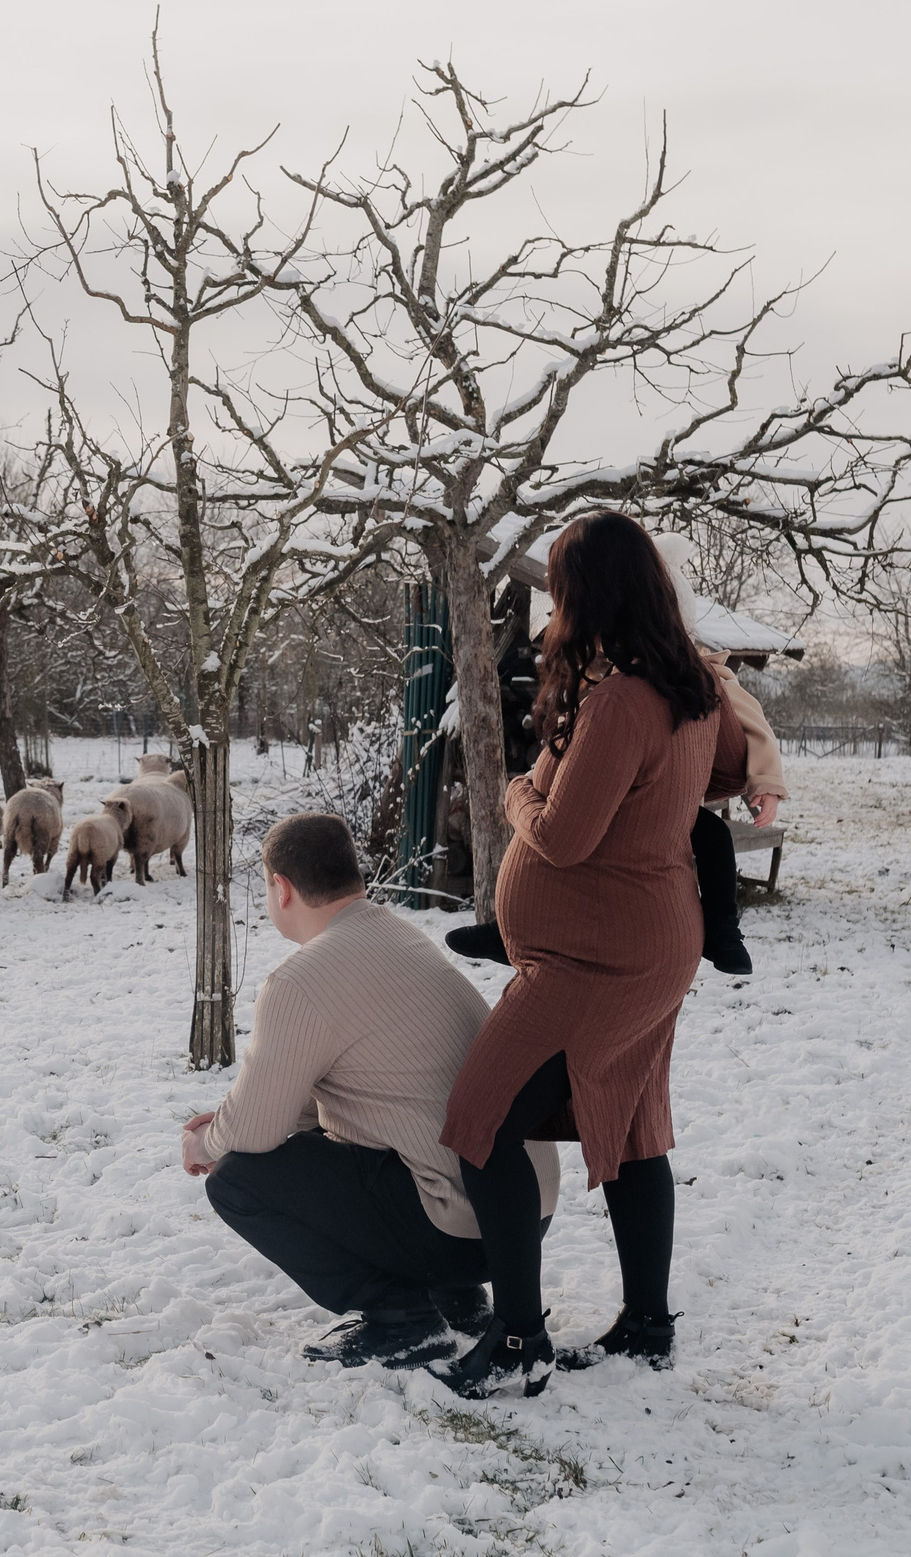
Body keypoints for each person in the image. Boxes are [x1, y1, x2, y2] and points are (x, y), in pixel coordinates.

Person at [436, 511, 749, 1399]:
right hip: (653, 940)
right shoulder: (695, 681)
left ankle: (518, 1338)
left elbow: (564, 837)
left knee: (481, 1120)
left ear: (587, 593)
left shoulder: (620, 698)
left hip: (593, 957)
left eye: (557, 591)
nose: (552, 607)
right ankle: (647, 1325)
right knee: (638, 1122)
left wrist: (517, 791)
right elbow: (725, 773)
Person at [181, 812, 563, 1369]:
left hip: (455, 1225)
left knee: (237, 1180)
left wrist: (206, 1143)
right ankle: (453, 1295)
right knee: (359, 1145)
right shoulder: (399, 935)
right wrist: (236, 1118)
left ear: (280, 888)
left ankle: (400, 1318)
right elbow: (337, 1092)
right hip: (522, 1218)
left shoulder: (299, 980)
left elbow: (255, 1136)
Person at [444, 541, 787, 977]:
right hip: (614, 790)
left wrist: (766, 782)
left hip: (653, 798)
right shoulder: (607, 673)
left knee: (711, 834)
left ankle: (724, 929)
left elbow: (751, 724)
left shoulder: (699, 677)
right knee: (575, 843)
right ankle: (517, 927)